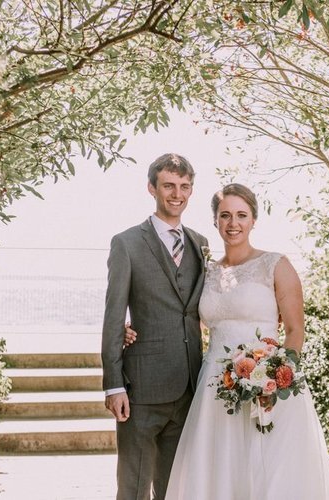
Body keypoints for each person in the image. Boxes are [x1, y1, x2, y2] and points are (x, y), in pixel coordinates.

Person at [128, 183, 329, 499]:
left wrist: (274, 378)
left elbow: (295, 330)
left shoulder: (276, 264)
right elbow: (176, 312)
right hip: (213, 387)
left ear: (253, 220)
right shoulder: (206, 271)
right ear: (215, 221)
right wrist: (132, 327)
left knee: (269, 472)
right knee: (218, 472)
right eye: (225, 216)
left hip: (267, 387)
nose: (233, 223)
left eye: (241, 215)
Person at [101, 153, 210, 500]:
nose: (176, 194)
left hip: (191, 387)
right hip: (141, 391)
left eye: (184, 187)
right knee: (133, 490)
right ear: (152, 188)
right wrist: (113, 385)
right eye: (168, 186)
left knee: (175, 489)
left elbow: (204, 307)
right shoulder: (127, 243)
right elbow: (113, 315)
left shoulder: (200, 243)